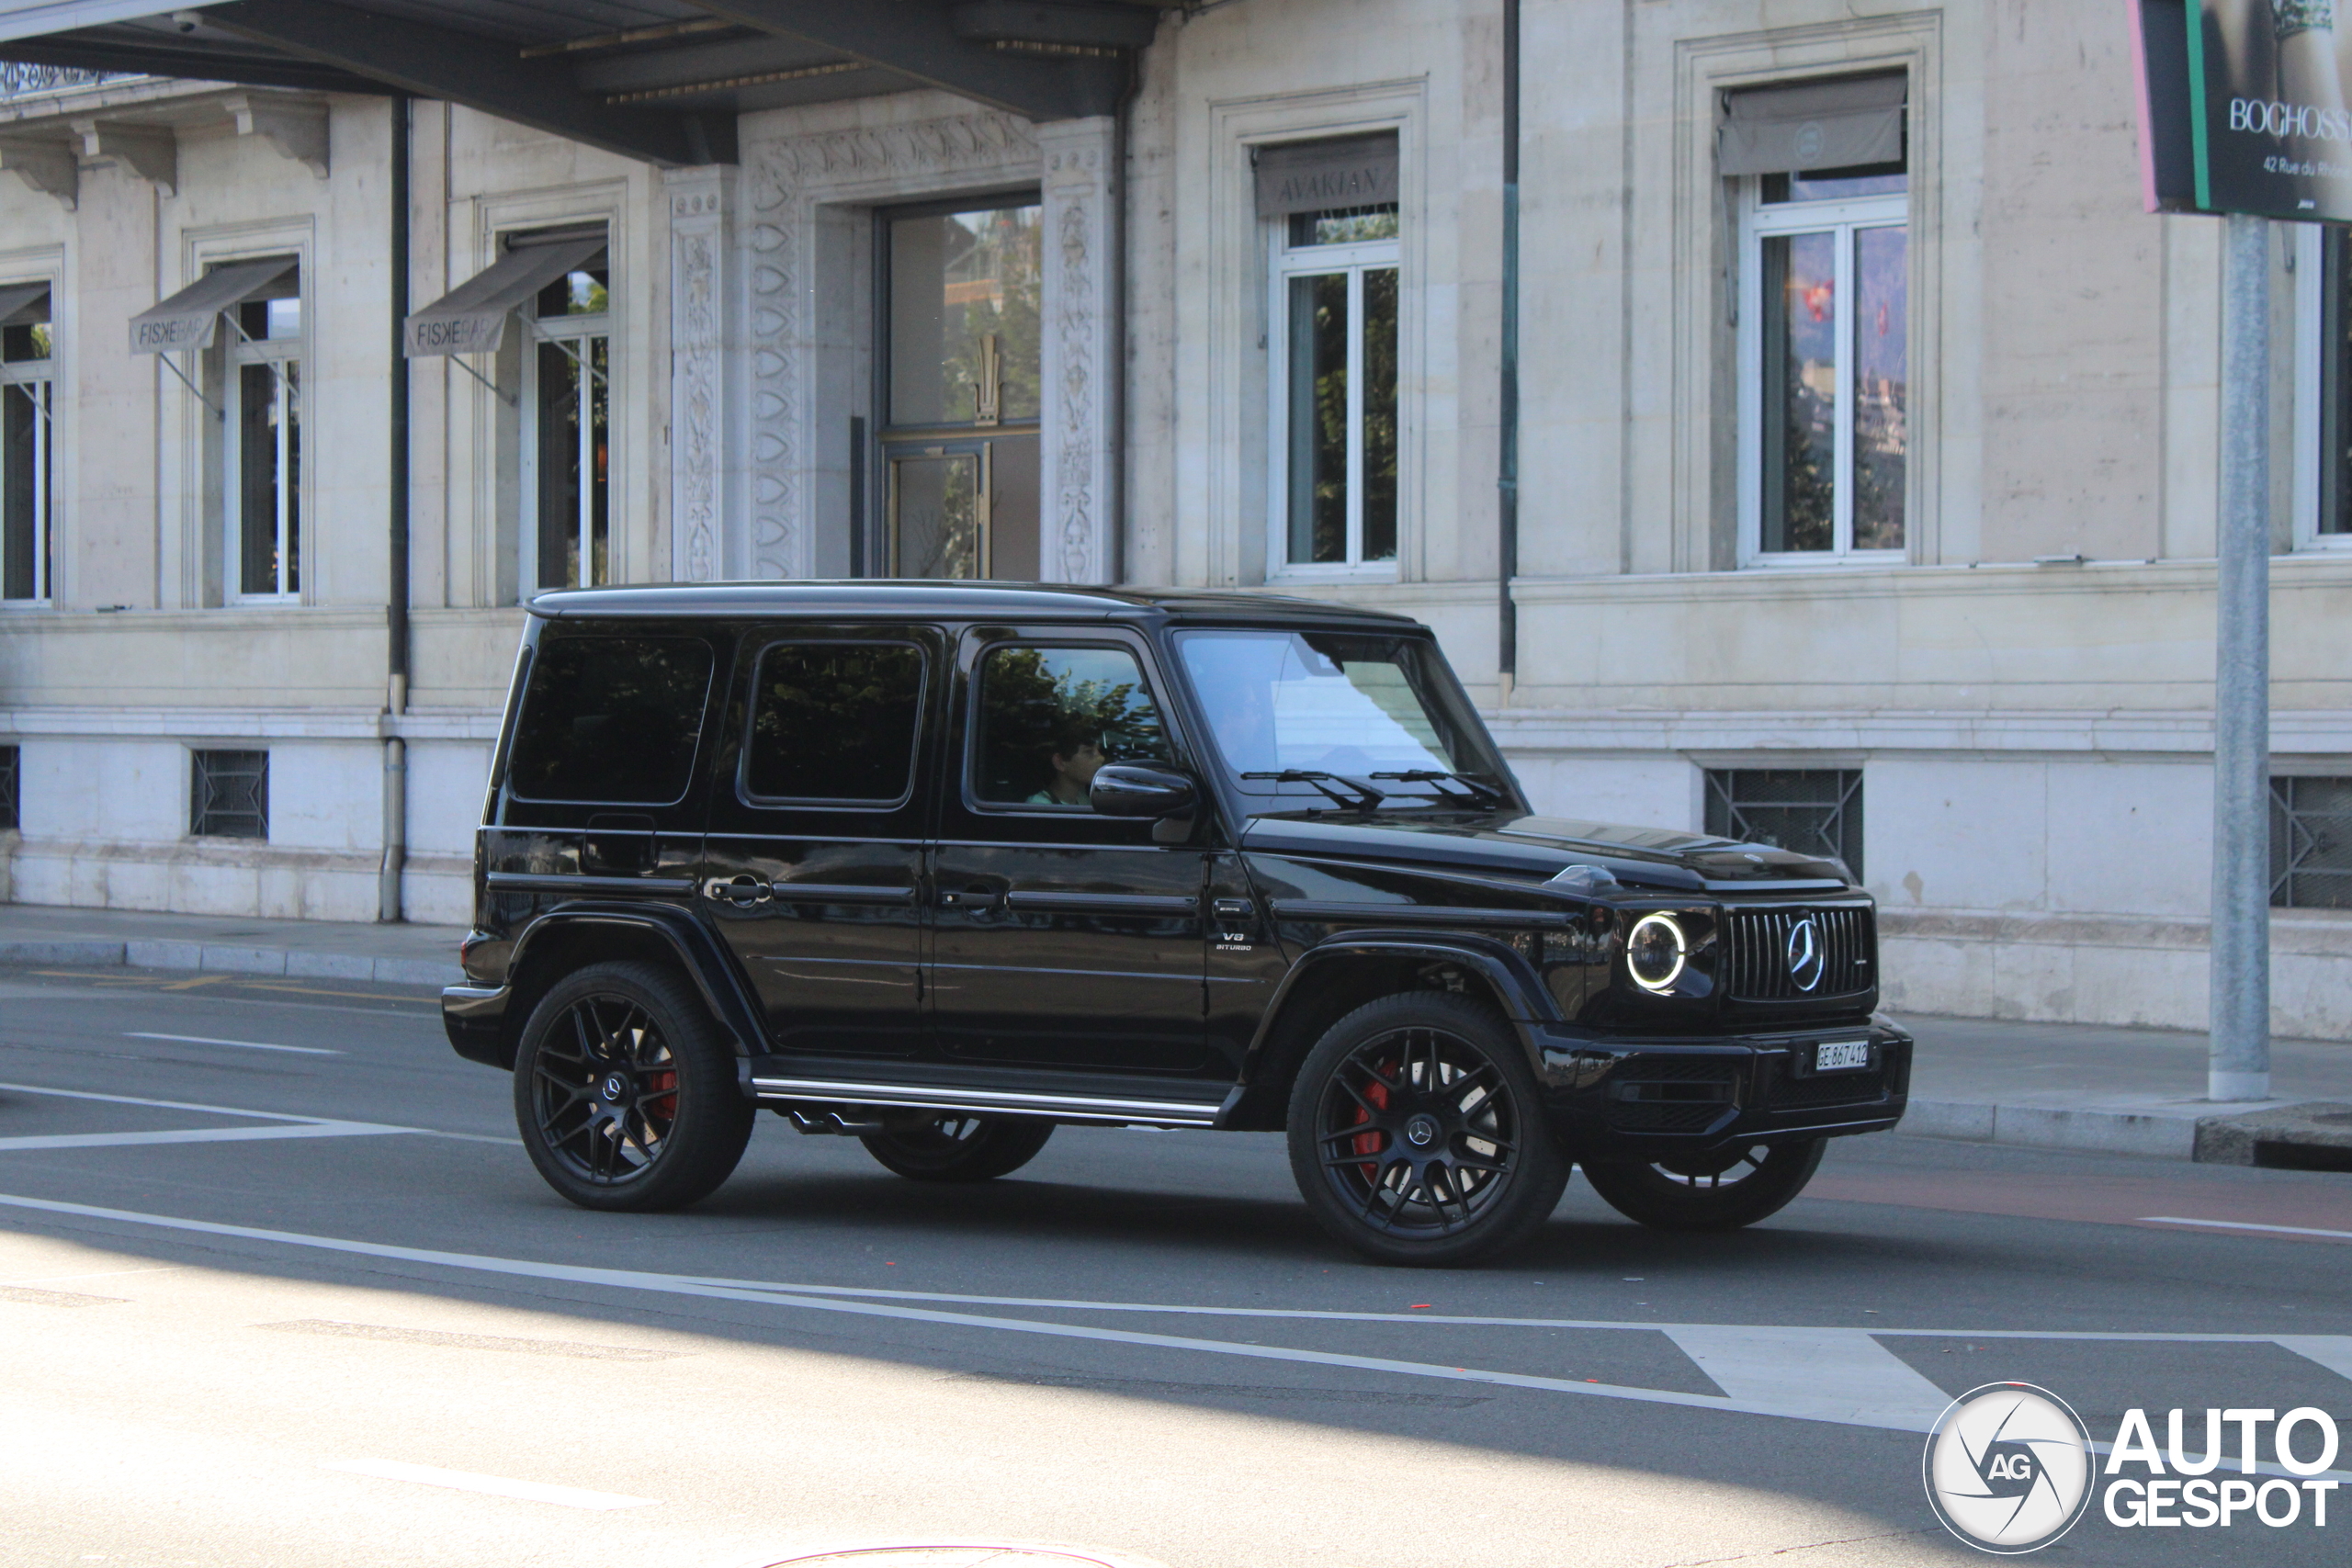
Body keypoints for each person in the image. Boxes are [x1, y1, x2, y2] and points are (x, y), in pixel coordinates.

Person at [1027, 726, 1105, 806]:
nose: (1101, 758)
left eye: (1098, 750)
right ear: (1060, 762)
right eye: (1088, 752)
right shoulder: (1040, 806)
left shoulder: (1084, 799)